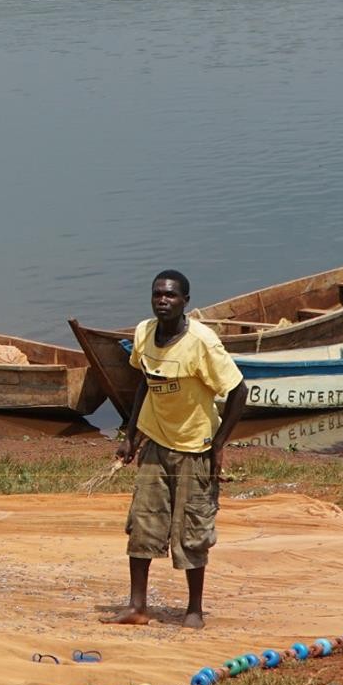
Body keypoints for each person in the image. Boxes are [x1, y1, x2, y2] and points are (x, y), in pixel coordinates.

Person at [105, 268, 245, 628]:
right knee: (143, 524)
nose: (162, 301)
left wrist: (219, 443)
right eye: (157, 295)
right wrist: (131, 436)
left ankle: (194, 610)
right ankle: (138, 606)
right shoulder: (143, 333)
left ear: (185, 301)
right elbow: (144, 384)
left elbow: (239, 392)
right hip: (156, 442)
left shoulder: (202, 342)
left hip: (195, 447)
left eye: (170, 295)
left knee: (193, 531)